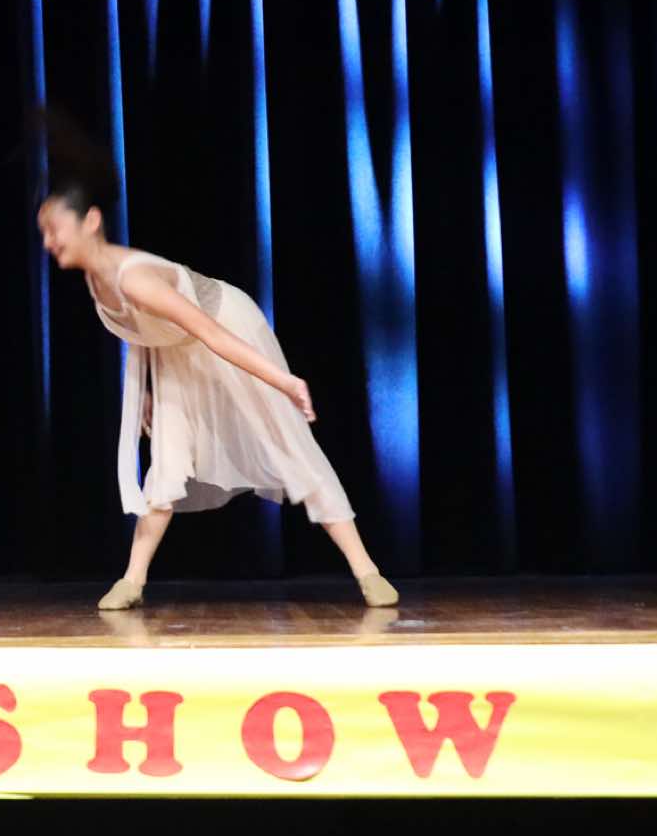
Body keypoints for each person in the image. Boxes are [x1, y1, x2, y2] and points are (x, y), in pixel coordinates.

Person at [33, 123, 398, 611]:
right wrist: (147, 392)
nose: (48, 242)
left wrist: (283, 381)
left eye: (54, 230)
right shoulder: (96, 278)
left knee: (287, 444)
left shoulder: (133, 278)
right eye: (44, 232)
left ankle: (367, 570)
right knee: (167, 461)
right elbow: (146, 331)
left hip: (227, 324)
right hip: (177, 349)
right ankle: (132, 580)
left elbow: (211, 333)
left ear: (91, 222)